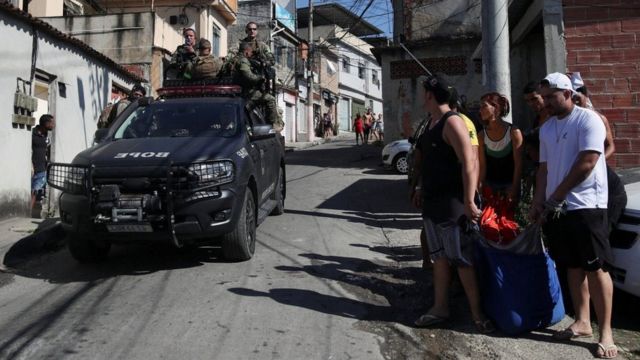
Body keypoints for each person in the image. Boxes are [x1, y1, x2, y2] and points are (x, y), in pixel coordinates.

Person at [529, 72, 617, 359]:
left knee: (596, 267)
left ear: (567, 93)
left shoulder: (587, 119)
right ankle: (582, 321)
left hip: (586, 204)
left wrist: (557, 196)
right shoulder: (546, 128)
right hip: (557, 208)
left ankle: (606, 331)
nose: (546, 103)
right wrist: (538, 201)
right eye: (544, 97)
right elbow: (543, 169)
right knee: (571, 265)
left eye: (551, 96)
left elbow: (588, 161)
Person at [411, 75, 492, 333]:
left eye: (424, 92)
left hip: (453, 205)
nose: (422, 96)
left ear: (429, 95)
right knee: (440, 259)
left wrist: (469, 199)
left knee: (462, 259)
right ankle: (440, 308)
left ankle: (478, 314)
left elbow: (470, 162)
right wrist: (421, 187)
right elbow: (428, 160)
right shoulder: (430, 122)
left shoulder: (452, 121)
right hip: (433, 203)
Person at [478, 93, 524, 203]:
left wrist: (514, 188)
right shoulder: (481, 135)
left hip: (509, 185)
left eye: (484, 106)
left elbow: (519, 164)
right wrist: (480, 188)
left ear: (496, 108)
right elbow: (482, 166)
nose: (480, 110)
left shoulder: (514, 132)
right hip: (490, 186)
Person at [234, 42, 283, 131]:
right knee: (270, 99)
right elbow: (248, 76)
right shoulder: (243, 60)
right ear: (246, 52)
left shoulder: (235, 58)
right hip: (248, 92)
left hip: (242, 91)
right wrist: (260, 78)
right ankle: (274, 125)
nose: (252, 55)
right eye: (251, 52)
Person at [31, 114, 55, 211]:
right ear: (46, 123)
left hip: (42, 170)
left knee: (37, 195)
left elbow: (47, 149)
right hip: (33, 169)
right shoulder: (31, 134)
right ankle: (27, 214)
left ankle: (33, 214)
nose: (54, 125)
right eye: (52, 123)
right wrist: (31, 166)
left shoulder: (46, 135)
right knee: (32, 193)